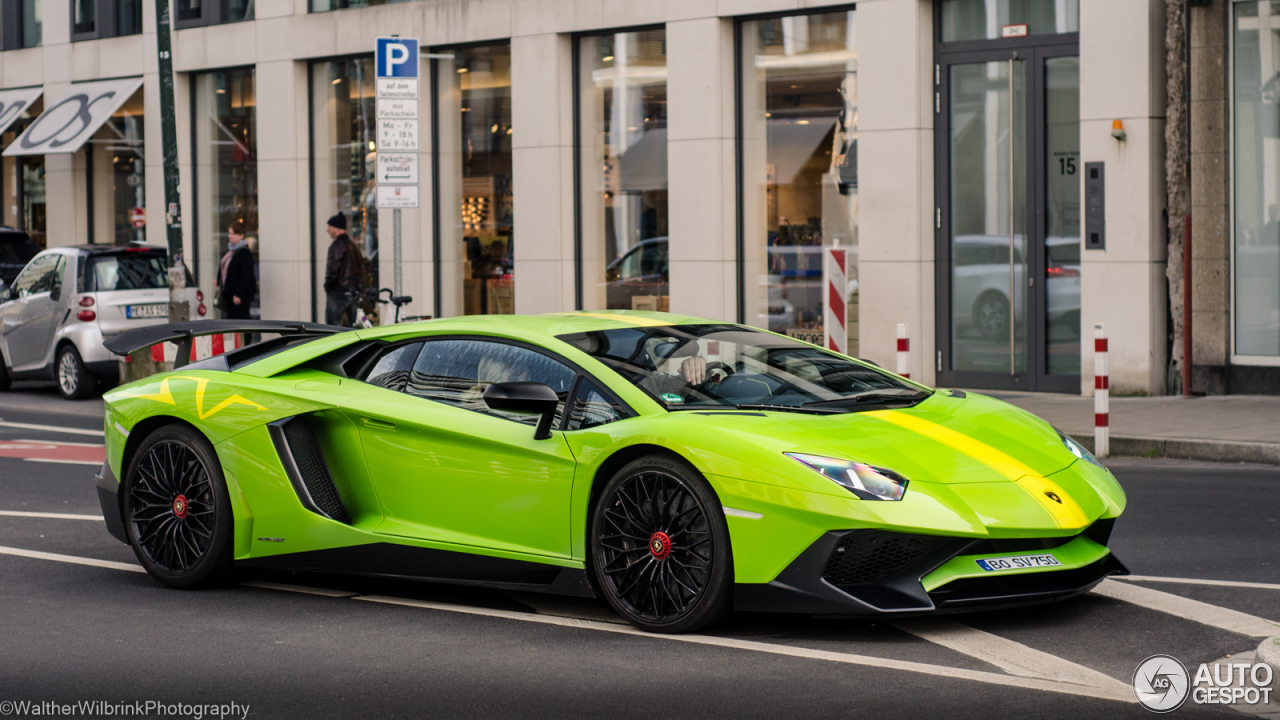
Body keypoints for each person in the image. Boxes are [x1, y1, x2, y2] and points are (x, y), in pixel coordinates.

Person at [324, 212, 365, 326]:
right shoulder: (353, 246)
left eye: (329, 227)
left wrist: (328, 287)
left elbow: (332, 270)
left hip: (339, 292)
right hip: (353, 292)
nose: (327, 230)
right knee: (353, 326)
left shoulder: (337, 245)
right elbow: (362, 269)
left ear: (336, 228)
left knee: (331, 327)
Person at [217, 221, 256, 320]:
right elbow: (223, 266)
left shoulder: (244, 253)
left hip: (239, 296)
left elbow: (246, 276)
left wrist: (238, 294)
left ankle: (246, 336)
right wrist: (218, 281)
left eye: (234, 233)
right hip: (228, 294)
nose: (230, 236)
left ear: (241, 235)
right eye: (229, 233)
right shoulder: (230, 250)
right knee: (231, 321)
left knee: (241, 319)